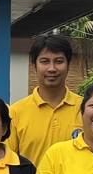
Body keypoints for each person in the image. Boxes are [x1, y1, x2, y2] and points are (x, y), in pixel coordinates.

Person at [9, 31, 82, 165]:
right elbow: (8, 159)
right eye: (45, 61)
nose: (52, 68)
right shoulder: (15, 112)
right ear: (34, 65)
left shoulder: (85, 109)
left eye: (59, 61)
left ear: (68, 65)